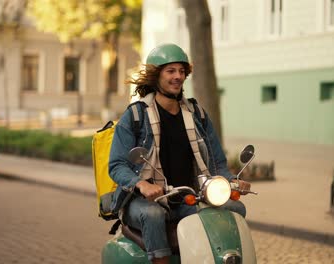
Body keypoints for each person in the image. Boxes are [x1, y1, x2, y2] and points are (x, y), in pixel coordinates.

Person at [108, 43, 252, 264]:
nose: (178, 76)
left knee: (234, 208)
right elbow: (117, 164)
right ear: (156, 75)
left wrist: (232, 181)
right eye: (171, 71)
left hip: (188, 196)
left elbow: (216, 162)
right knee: (153, 215)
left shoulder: (197, 114)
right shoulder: (136, 116)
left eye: (182, 71)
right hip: (143, 200)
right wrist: (141, 184)